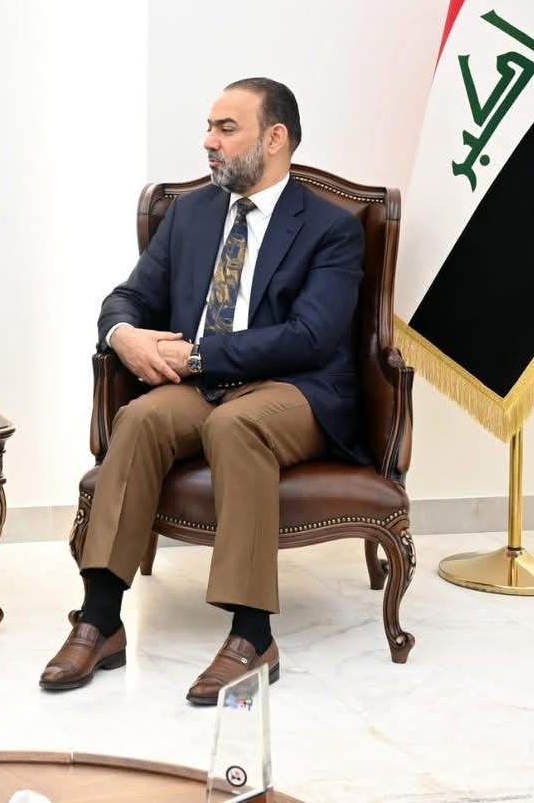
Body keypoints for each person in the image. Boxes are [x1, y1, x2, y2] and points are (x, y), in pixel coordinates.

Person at [40, 77, 368, 705]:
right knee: (140, 418)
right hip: (206, 383)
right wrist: (125, 336)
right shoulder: (191, 214)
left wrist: (196, 356)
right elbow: (129, 296)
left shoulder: (331, 228)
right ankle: (100, 621)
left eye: (226, 128)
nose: (209, 142)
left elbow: (311, 337)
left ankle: (252, 634)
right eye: (209, 128)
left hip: (294, 389)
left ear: (275, 138)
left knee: (235, 426)